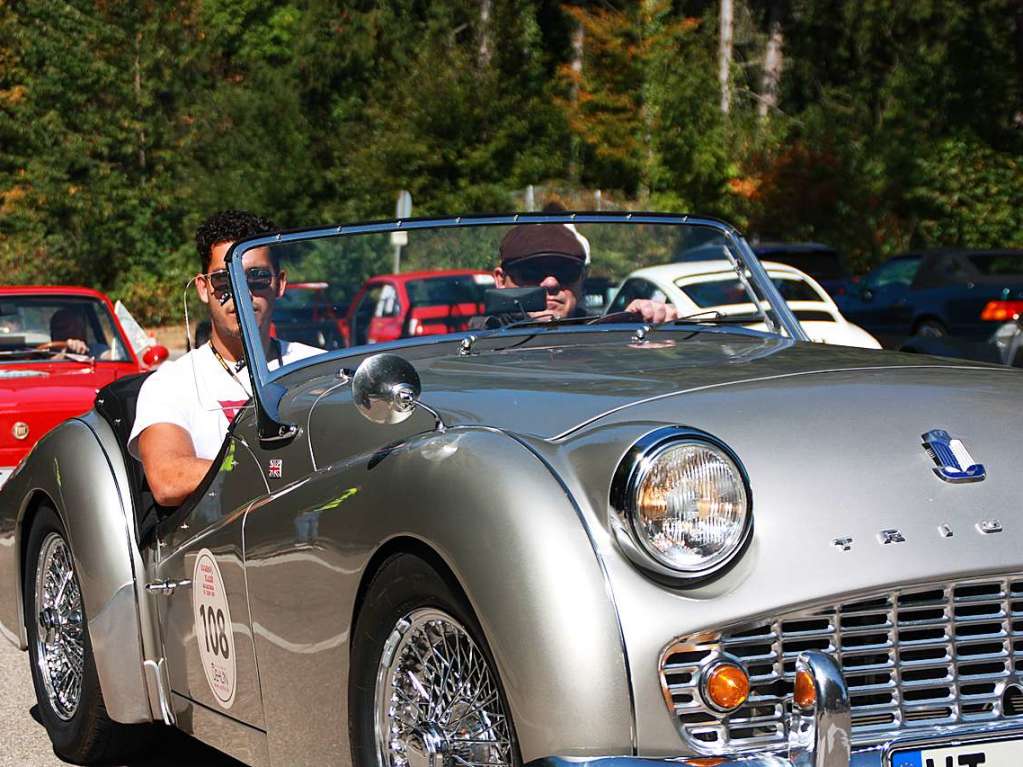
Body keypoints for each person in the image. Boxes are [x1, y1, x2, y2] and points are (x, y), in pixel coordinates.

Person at [128, 210, 320, 507]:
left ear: (280, 283)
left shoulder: (317, 368)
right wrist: (274, 472)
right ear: (203, 288)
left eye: (256, 278)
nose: (241, 293)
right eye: (223, 280)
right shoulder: (170, 383)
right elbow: (168, 479)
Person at [470, 222, 677, 329]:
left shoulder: (604, 336)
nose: (551, 283)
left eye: (565, 270)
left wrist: (640, 323)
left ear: (582, 277)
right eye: (531, 270)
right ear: (500, 279)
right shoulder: (472, 346)